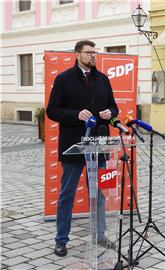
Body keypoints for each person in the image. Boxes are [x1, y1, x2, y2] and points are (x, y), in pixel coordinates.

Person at [46, 40, 119, 257]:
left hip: (99, 146)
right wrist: (75, 115)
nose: (93, 56)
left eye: (95, 53)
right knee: (67, 194)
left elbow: (114, 106)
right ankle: (61, 240)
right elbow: (52, 110)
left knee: (100, 194)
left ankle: (100, 235)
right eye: (89, 53)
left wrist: (110, 113)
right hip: (73, 146)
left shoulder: (103, 79)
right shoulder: (64, 79)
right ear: (78, 54)